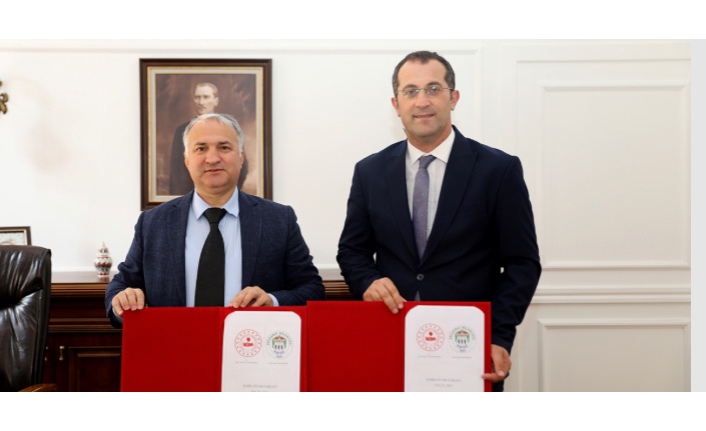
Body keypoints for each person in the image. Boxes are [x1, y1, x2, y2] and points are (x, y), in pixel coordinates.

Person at [336, 51, 541, 391]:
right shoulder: (369, 171)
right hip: (390, 338)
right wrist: (368, 281)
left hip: (468, 345)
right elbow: (352, 252)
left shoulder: (498, 170)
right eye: (411, 91)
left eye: (433, 89)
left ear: (453, 98)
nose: (422, 101)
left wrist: (498, 336)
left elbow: (522, 263)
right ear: (396, 104)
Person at [106, 113, 324, 327]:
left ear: (241, 157)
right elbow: (122, 284)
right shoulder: (153, 222)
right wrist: (122, 302)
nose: (212, 158)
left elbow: (312, 289)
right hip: (175, 344)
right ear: (187, 159)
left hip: (251, 345)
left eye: (224, 147)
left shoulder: (279, 219)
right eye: (201, 148)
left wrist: (273, 301)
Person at [169, 83, 248, 195]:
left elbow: (242, 168)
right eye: (197, 97)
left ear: (216, 100)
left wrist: (226, 195)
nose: (201, 102)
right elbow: (176, 172)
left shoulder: (230, 129)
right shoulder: (181, 130)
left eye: (206, 97)